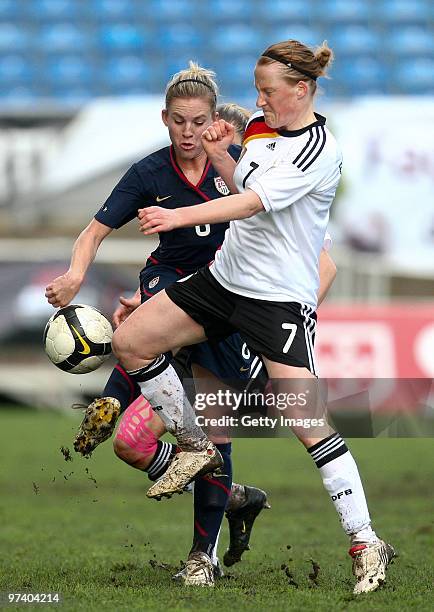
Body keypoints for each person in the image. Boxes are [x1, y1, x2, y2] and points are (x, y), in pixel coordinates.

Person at [111, 40, 395, 595]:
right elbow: (243, 183)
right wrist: (221, 157)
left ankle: (365, 541)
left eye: (268, 91)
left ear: (302, 90)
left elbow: (253, 203)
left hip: (276, 300)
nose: (259, 100)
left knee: (309, 426)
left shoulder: (318, 147)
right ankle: (196, 445)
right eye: (258, 89)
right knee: (132, 341)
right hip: (225, 282)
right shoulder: (264, 129)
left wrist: (179, 215)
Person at [45, 67, 280, 585]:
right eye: (179, 122)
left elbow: (280, 232)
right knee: (128, 434)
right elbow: (94, 230)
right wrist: (75, 273)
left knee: (215, 431)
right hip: (168, 294)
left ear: (215, 121)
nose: (189, 131)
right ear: (165, 120)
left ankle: (203, 555)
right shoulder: (149, 173)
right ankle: (230, 495)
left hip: (227, 306)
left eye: (199, 121)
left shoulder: (238, 168)